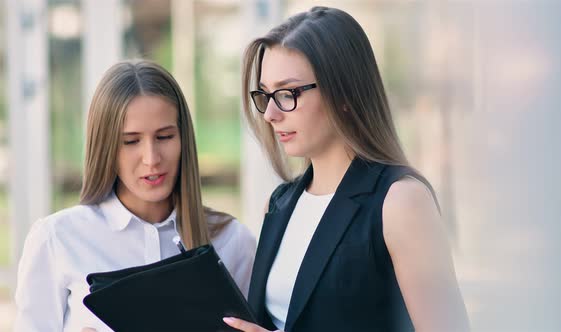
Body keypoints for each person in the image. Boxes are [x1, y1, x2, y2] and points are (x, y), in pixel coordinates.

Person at [223, 6, 470, 332]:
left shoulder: (401, 202)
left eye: (287, 93)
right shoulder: (279, 204)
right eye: (266, 95)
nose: (270, 113)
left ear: (343, 93)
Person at [14, 60, 256, 332]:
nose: (151, 159)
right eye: (130, 141)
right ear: (105, 147)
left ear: (183, 139)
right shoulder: (56, 238)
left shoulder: (234, 242)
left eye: (164, 136)